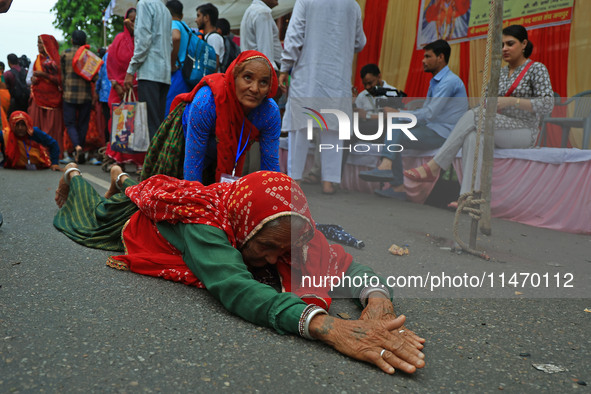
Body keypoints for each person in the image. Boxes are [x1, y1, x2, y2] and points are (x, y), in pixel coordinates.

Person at [53, 165, 426, 375]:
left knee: (139, 183)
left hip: (178, 193)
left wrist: (378, 305)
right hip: (130, 222)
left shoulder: (282, 223)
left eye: (285, 251)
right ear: (244, 227)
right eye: (265, 249)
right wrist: (331, 327)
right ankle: (75, 174)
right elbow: (235, 287)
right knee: (94, 209)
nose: (272, 260)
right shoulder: (206, 226)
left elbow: (346, 265)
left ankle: (122, 175)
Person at [404, 25, 554, 205]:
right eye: (502, 44)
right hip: (497, 126)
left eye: (510, 44)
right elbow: (486, 102)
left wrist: (512, 101)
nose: (504, 48)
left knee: (475, 115)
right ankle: (468, 197)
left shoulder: (536, 69)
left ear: (524, 44)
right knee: (472, 136)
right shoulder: (499, 73)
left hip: (524, 131)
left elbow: (548, 104)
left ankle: (435, 166)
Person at [141, 50, 281, 185]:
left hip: (220, 154)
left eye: (263, 82)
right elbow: (193, 167)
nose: (255, 89)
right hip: (185, 144)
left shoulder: (269, 113)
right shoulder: (206, 102)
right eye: (248, 78)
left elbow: (271, 166)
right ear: (234, 77)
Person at [358, 39, 468, 200]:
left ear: (440, 57)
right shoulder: (438, 81)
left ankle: (390, 172)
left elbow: (430, 113)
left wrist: (399, 114)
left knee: (396, 123)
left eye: (427, 56)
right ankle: (397, 185)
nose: (423, 60)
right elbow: (427, 113)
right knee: (396, 127)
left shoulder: (449, 82)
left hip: (444, 134)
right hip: (433, 129)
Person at [279, 0, 366, 195]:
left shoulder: (306, 1)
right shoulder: (352, 5)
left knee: (299, 126)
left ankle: (295, 179)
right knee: (333, 127)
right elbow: (360, 42)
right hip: (337, 74)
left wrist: (285, 67)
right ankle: (329, 182)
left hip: (308, 73)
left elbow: (294, 37)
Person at [124, 0, 172, 140]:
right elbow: (169, 44)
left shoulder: (144, 4)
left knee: (151, 125)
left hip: (149, 72)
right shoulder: (165, 10)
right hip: (164, 73)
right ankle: (159, 160)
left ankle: (155, 161)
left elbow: (143, 42)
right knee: (157, 123)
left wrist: (130, 70)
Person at [105, 8, 146, 171]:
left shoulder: (143, 40)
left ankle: (139, 161)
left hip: (136, 88)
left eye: (136, 20)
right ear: (125, 20)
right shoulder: (118, 39)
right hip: (118, 89)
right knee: (118, 123)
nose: (132, 23)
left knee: (137, 124)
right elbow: (110, 64)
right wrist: (116, 84)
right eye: (130, 19)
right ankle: (118, 159)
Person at [61, 30, 97, 164]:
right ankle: (79, 148)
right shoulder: (89, 56)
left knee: (70, 123)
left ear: (72, 40)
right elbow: (94, 77)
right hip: (85, 95)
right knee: (83, 124)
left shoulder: (65, 54)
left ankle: (77, 146)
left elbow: (63, 77)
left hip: (69, 94)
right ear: (84, 41)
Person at [28, 35, 64, 159]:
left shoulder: (56, 61)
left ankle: (53, 153)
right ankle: (37, 154)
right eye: (38, 43)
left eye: (42, 43)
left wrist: (43, 75)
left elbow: (60, 81)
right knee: (36, 126)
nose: (39, 46)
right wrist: (33, 80)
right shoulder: (36, 60)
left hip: (52, 100)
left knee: (52, 128)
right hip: (37, 98)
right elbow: (29, 79)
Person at [164, 0, 191, 117]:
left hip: (177, 73)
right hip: (187, 74)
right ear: (182, 15)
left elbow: (176, 37)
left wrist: (171, 63)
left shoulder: (173, 23)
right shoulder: (186, 27)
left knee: (171, 112)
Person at [240, 0, 282, 71]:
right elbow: (265, 51)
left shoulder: (251, 10)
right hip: (262, 69)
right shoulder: (262, 12)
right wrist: (270, 73)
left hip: (251, 66)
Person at [195, 3, 224, 73]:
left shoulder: (213, 37)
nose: (196, 20)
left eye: (198, 16)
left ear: (206, 18)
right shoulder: (208, 37)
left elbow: (215, 64)